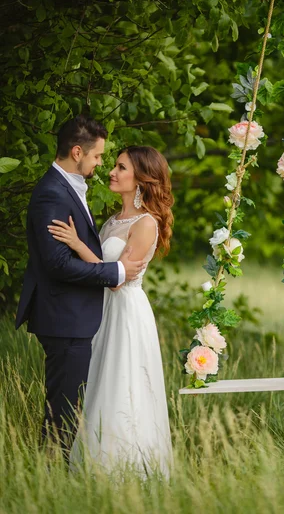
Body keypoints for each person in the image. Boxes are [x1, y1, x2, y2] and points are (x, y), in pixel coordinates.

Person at [16, 116, 144, 451]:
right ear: (77, 152)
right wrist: (115, 273)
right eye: (98, 156)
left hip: (74, 317)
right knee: (63, 412)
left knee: (69, 407)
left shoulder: (65, 189)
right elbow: (57, 264)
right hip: (63, 317)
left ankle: (56, 476)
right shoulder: (51, 194)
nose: (101, 164)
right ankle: (49, 477)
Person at [47, 145, 174, 476]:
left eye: (121, 168)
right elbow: (103, 270)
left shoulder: (146, 223)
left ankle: (124, 467)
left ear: (142, 178)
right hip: (102, 309)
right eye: (114, 165)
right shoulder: (114, 220)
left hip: (126, 311)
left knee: (123, 380)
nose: (112, 172)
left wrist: (76, 244)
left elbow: (116, 279)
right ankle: (93, 460)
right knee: (99, 380)